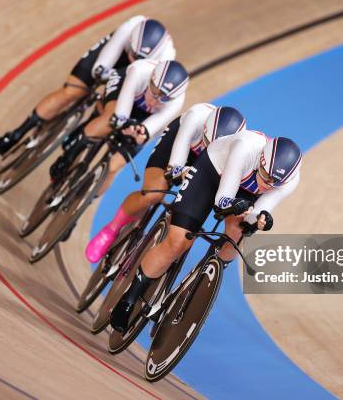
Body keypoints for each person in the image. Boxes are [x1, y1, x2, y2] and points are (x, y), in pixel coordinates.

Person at [110, 133, 303, 332]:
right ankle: (129, 298)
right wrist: (236, 205)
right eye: (266, 175)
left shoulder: (290, 180)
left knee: (237, 236)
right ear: (261, 159)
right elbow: (222, 201)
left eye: (275, 182)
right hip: (211, 172)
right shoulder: (245, 148)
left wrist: (261, 218)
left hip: (245, 191)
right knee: (178, 243)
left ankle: (205, 278)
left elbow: (257, 212)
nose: (268, 184)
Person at [85, 104, 247, 263]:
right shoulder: (195, 117)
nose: (207, 146)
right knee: (153, 193)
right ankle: (112, 228)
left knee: (186, 227)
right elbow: (175, 163)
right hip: (180, 145)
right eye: (206, 140)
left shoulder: (240, 150)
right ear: (205, 127)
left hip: (213, 165)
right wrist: (178, 170)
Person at [0, 16, 175, 155]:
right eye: (133, 54)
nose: (133, 59)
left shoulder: (164, 61)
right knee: (72, 91)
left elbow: (132, 95)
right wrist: (101, 72)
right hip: (116, 52)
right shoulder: (130, 27)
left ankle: (86, 127)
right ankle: (19, 132)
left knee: (112, 108)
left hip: (140, 77)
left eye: (138, 58)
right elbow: (106, 58)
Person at [48, 59, 190, 200]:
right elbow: (121, 112)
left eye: (164, 98)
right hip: (124, 91)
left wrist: (140, 133)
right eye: (155, 90)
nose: (155, 100)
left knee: (115, 165)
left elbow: (149, 129)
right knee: (108, 120)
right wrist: (123, 122)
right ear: (152, 78)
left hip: (144, 117)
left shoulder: (176, 101)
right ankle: (68, 157)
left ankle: (83, 201)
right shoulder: (139, 71)